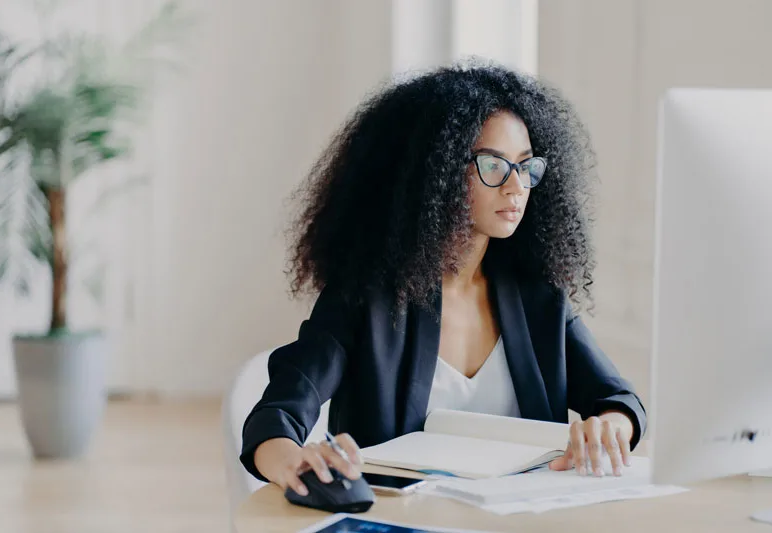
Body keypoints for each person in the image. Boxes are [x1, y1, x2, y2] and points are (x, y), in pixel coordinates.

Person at [240, 62, 646, 497]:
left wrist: (608, 427)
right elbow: (275, 418)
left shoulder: (539, 297)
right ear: (436, 171)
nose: (516, 188)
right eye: (494, 165)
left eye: (526, 167)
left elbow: (620, 402)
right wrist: (294, 460)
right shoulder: (367, 299)